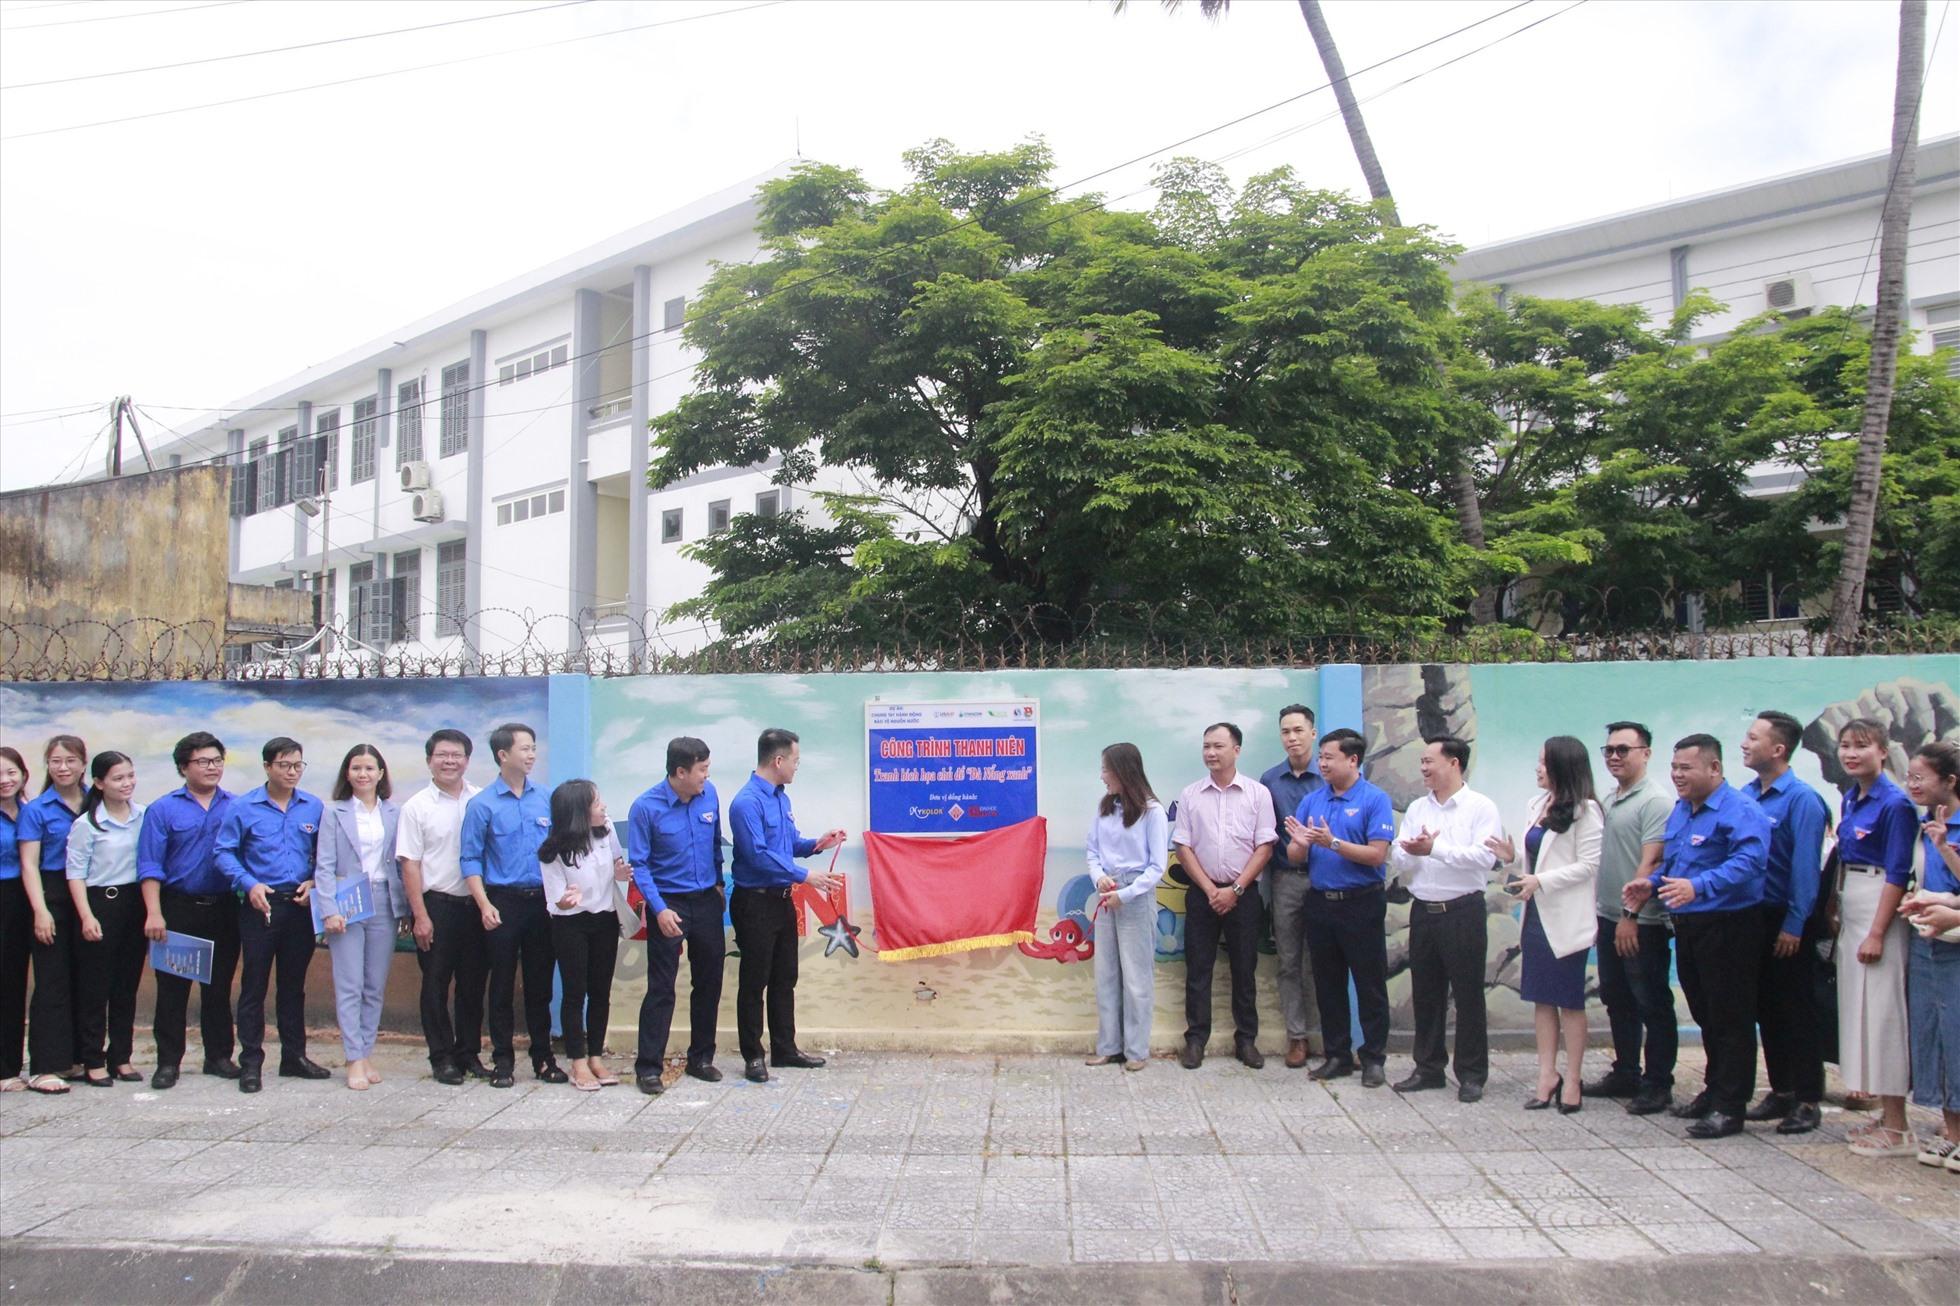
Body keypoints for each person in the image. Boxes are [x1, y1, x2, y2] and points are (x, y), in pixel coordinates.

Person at [1624, 734, 1770, 1139]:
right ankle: (1714, 1089)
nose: (1677, 776)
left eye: (1685, 768)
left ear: (1714, 768)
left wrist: (1699, 886)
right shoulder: (1683, 811)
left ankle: (1730, 1105)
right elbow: (1676, 865)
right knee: (1707, 1014)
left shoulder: (1740, 809)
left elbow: (1750, 862)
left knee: (1731, 1018)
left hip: (1729, 926)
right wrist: (1650, 884)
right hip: (1690, 926)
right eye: (1674, 768)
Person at [1487, 737, 1601, 1114]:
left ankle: (1573, 1077)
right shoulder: (1536, 805)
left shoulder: (1587, 811)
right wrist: (1513, 858)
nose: (1537, 769)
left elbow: (1588, 866)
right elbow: (1536, 856)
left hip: (1566, 917)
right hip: (1535, 915)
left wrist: (1542, 882)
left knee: (1568, 1000)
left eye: (1544, 762)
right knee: (1541, 999)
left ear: (1563, 767)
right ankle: (1546, 1073)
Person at [728, 728, 846, 1085]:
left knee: (784, 978)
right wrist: (805, 876)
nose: (797, 767)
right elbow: (758, 856)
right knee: (754, 981)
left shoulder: (781, 798)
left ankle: (785, 1048)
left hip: (781, 902)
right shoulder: (746, 802)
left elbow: (787, 843)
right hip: (754, 903)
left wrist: (817, 844)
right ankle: (753, 1055)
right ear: (778, 761)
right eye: (795, 760)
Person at [1390, 735, 1503, 1102]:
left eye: (1429, 761)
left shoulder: (1481, 807)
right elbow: (1400, 857)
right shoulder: (1418, 809)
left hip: (1463, 910)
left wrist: (1434, 848)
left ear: (1454, 763)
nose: (1423, 768)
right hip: (1424, 910)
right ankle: (1428, 1068)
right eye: (1421, 762)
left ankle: (1471, 1074)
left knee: (1469, 994)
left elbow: (1483, 858)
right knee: (1426, 992)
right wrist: (1410, 852)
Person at [1285, 727, 1398, 1086]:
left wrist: (1333, 843)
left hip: (1361, 903)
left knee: (1369, 982)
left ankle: (1374, 1057)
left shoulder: (1374, 799)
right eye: (1321, 757)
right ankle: (1337, 1055)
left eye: (1329, 757)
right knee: (1327, 983)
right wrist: (1301, 844)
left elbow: (1377, 855)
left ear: (1353, 759)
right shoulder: (1313, 800)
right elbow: (1294, 855)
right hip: (1321, 902)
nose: (1322, 763)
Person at [216, 736, 329, 1094]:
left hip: (299, 905)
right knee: (254, 985)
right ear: (267, 767)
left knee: (293, 987)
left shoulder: (313, 806)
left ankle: (294, 1057)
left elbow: (324, 855)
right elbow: (223, 852)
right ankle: (251, 1061)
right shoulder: (243, 806)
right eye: (284, 765)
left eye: (298, 765)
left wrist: (314, 882)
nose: (292, 772)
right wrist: (248, 884)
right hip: (260, 905)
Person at [1737, 710, 1831, 1135]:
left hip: (1788, 915)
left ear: (1778, 749)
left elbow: (1805, 870)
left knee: (1796, 1008)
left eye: (1753, 738)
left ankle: (1808, 1098)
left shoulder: (1802, 800)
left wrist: (1796, 923)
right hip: (1753, 915)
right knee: (1766, 1007)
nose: (1744, 743)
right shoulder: (1747, 795)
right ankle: (1782, 1089)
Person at [1831, 717, 1918, 1157]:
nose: (1851, 753)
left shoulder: (1895, 804)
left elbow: (1898, 872)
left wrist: (1878, 932)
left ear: (1882, 751)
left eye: (1861, 746)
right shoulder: (1851, 799)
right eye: (1845, 745)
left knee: (1884, 1013)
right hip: (1855, 901)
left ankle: (1900, 1124)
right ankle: (1884, 1114)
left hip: (1880, 906)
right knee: (1860, 1010)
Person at [460, 722, 563, 1089]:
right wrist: (484, 904)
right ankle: (503, 1060)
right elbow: (470, 859)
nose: (531, 755)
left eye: (534, 748)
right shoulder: (482, 805)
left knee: (540, 984)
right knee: (501, 984)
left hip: (541, 904)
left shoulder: (546, 799)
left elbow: (558, 853)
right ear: (503, 755)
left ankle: (543, 1057)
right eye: (524, 748)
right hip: (501, 903)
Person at [136, 731, 242, 1090]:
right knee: (173, 989)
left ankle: (219, 1056)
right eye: (202, 761)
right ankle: (168, 1062)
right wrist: (154, 912)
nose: (212, 767)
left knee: (218, 987)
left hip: (224, 908)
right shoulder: (163, 809)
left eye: (216, 760)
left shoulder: (236, 806)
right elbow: (150, 865)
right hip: (179, 907)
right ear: (183, 767)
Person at [1584, 721, 1677, 1116]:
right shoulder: (1612, 798)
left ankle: (1658, 1083)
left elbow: (1651, 859)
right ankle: (1626, 1071)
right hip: (1608, 917)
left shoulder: (1654, 801)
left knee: (1651, 1001)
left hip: (1641, 922)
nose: (1615, 757)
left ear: (1646, 753)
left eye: (1623, 749)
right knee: (1617, 999)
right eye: (1608, 751)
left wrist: (1629, 915)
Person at [1173, 722, 1275, 1070]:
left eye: (1217, 746)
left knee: (1244, 969)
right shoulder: (1190, 795)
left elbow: (1265, 846)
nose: (1210, 753)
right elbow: (1183, 846)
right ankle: (1196, 1040)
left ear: (1237, 750)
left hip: (1243, 895)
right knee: (1197, 969)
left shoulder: (1257, 794)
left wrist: (1235, 889)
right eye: (1206, 747)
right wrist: (1210, 889)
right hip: (1202, 894)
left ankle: (1246, 1040)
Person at [628, 736, 727, 1097]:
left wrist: (718, 884)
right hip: (667, 902)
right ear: (680, 771)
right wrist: (659, 909)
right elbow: (640, 865)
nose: (706, 775)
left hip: (705, 901)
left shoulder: (710, 794)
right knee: (661, 987)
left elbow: (716, 841)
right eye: (701, 770)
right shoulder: (646, 807)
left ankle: (700, 1058)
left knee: (709, 980)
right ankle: (649, 1067)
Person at [397, 728, 488, 1085]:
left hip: (475, 905)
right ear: (429, 761)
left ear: (467, 760)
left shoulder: (480, 800)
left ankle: (469, 1054)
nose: (449, 761)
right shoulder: (416, 807)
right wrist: (420, 915)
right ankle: (441, 1056)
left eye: (456, 756)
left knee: (472, 985)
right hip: (437, 905)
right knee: (435, 984)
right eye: (442, 756)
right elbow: (410, 864)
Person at [316, 744, 406, 1092]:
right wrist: (330, 909)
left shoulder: (394, 813)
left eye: (370, 768)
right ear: (347, 773)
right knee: (349, 983)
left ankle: (366, 1052)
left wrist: (406, 909)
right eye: (356, 768)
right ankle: (353, 1057)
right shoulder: (334, 813)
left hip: (384, 900)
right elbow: (323, 865)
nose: (363, 774)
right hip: (347, 901)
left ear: (381, 773)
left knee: (374, 984)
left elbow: (401, 862)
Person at [540, 779, 630, 1091]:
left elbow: (617, 868)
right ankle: (577, 1061)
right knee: (575, 993)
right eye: (596, 802)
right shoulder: (553, 850)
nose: (603, 806)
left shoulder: (608, 833)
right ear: (578, 811)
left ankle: (595, 1056)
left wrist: (620, 875)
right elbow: (554, 899)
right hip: (570, 924)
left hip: (604, 919)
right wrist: (565, 900)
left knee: (601, 991)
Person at [65, 752, 148, 1087]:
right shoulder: (87, 824)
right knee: (95, 987)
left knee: (126, 985)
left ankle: (122, 1057)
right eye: (117, 778)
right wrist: (86, 916)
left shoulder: (143, 815)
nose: (126, 783)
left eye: (130, 776)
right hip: (101, 903)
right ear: (99, 783)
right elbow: (75, 874)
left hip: (135, 903)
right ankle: (92, 1059)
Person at [1085, 742, 1169, 1073]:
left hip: (1135, 897)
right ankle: (1109, 1046)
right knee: (1106, 973)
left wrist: (1128, 893)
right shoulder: (1105, 809)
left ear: (1123, 771)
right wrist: (1100, 878)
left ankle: (1136, 1050)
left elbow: (1156, 867)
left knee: (1136, 977)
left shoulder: (1152, 812)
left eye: (1106, 769)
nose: (1102, 776)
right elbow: (1092, 851)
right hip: (1109, 895)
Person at [17, 734, 88, 1093]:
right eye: (56, 761)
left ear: (83, 764)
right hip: (52, 896)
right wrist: (40, 910)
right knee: (51, 982)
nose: (63, 768)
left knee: (83, 980)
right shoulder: (37, 810)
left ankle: (75, 1059)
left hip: (88, 899)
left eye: (70, 760)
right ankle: (44, 1066)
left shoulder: (96, 802)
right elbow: (29, 865)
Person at [1903, 740, 1960, 1172]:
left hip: (1953, 944)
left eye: (1921, 777)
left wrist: (1945, 851)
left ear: (1950, 781)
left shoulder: (1947, 830)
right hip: (1928, 940)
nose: (1912, 785)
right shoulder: (1926, 824)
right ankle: (1950, 1131)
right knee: (1933, 1035)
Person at [1259, 704, 1324, 1069]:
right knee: (1288, 961)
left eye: (1298, 730)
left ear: (1312, 733)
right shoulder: (1270, 781)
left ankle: (1332, 1036)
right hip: (1285, 880)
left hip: (1327, 878)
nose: (1292, 738)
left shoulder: (1328, 775)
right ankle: (1296, 1037)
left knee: (1326, 960)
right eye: (1286, 731)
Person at [0, 746, 32, 1092]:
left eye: (10, 772)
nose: (4, 780)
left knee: (13, 983)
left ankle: (9, 1066)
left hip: (22, 900)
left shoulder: (29, 811)